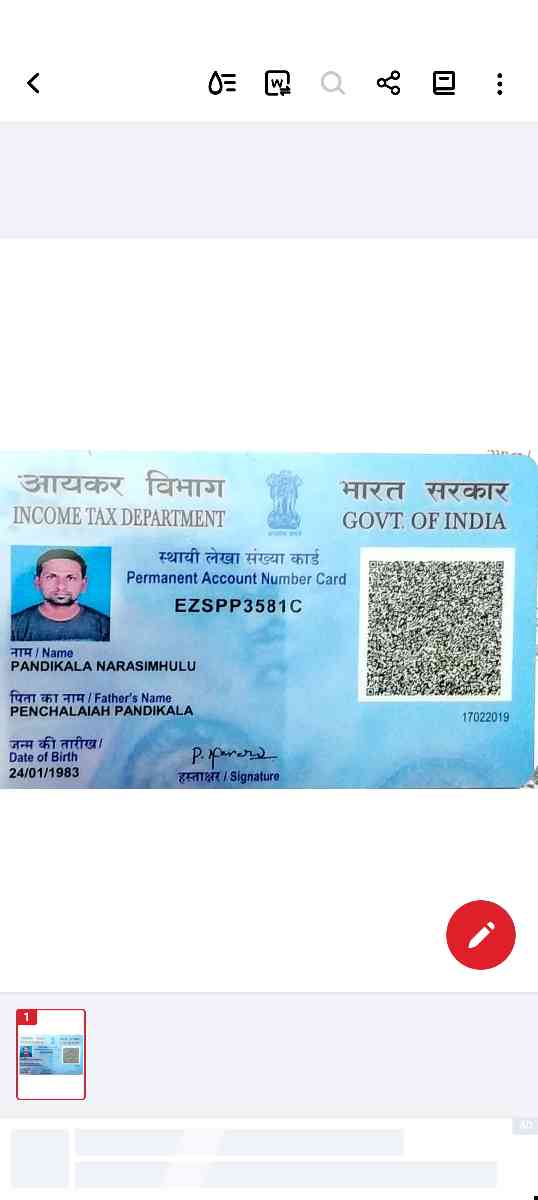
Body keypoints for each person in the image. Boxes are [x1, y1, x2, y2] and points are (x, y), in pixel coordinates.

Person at [11, 549, 110, 641]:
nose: (61, 586)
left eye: (70, 578)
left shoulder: (105, 627)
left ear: (84, 584)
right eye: (51, 577)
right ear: (37, 582)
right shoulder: (13, 626)